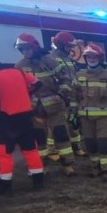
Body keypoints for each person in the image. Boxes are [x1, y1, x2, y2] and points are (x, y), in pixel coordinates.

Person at [0, 50, 45, 195]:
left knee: (4, 153)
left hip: (6, 121)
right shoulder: (16, 70)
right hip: (25, 118)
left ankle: (5, 186)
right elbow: (37, 83)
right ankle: (38, 181)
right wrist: (27, 93)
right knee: (31, 150)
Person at [14, 33, 75, 176]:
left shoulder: (50, 62)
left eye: (26, 48)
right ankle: (42, 165)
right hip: (34, 108)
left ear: (34, 46)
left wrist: (62, 94)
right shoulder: (20, 66)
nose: (24, 52)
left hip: (55, 105)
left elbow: (66, 79)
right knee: (39, 138)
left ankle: (68, 164)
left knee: (61, 134)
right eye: (22, 49)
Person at [74, 43, 107, 178]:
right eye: (88, 57)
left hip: (104, 117)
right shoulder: (79, 75)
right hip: (85, 117)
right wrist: (72, 114)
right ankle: (95, 167)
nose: (91, 59)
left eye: (94, 57)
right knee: (90, 144)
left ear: (99, 58)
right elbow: (74, 95)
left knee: (103, 144)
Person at [50, 31, 87, 156]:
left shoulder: (68, 59)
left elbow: (73, 77)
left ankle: (76, 147)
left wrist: (78, 90)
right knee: (58, 124)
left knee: (73, 122)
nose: (71, 49)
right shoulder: (52, 58)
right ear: (60, 45)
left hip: (71, 96)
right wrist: (60, 94)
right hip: (59, 97)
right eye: (69, 46)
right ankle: (53, 149)